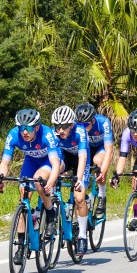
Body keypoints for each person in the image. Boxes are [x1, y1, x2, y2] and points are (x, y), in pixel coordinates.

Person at [0, 109, 62, 263]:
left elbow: (55, 163)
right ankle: (20, 246)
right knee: (23, 197)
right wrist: (0, 180)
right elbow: (4, 162)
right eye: (21, 128)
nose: (24, 132)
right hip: (31, 161)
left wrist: (51, 181)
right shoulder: (13, 135)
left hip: (49, 160)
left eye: (29, 128)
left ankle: (50, 213)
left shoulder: (47, 135)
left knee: (38, 181)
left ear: (36, 127)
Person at [51, 105, 91, 255]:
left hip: (80, 159)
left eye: (64, 126)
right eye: (57, 126)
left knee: (79, 198)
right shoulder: (54, 134)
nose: (60, 130)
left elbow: (83, 157)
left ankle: (82, 236)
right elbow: (55, 160)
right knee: (54, 173)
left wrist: (79, 180)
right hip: (65, 157)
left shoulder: (80, 132)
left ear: (72, 125)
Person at [76, 103, 115, 216]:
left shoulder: (103, 123)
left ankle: (102, 195)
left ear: (93, 120)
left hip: (101, 147)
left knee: (98, 161)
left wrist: (102, 171)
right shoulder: (76, 126)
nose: (82, 127)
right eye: (80, 124)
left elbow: (109, 151)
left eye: (85, 124)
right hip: (87, 147)